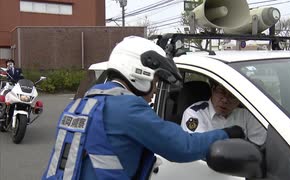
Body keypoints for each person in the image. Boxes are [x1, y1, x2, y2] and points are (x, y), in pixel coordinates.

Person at [43, 36, 245, 180]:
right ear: (138, 72)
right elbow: (183, 146)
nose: (156, 88)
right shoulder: (127, 108)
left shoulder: (81, 103)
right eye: (156, 79)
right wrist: (228, 133)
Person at [181, 82, 267, 145]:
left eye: (232, 95)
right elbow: (198, 147)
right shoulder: (195, 113)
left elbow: (258, 147)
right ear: (212, 90)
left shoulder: (248, 113)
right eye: (221, 91)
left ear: (239, 99)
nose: (225, 100)